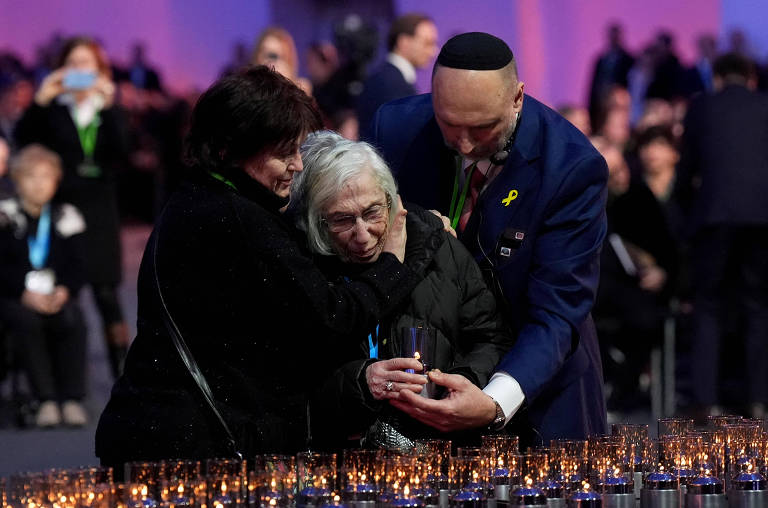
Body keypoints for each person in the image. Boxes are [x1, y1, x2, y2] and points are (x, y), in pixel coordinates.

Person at [95, 67, 420, 466]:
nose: (298, 165)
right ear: (230, 149)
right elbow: (332, 319)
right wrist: (395, 262)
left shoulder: (197, 198)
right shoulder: (239, 220)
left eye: (299, 149)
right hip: (191, 448)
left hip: (156, 430)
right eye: (284, 152)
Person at [366, 32, 608, 446]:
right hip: (422, 379)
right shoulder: (395, 128)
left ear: (517, 98)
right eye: (448, 123)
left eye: (481, 128)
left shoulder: (571, 166)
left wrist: (495, 402)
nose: (462, 144)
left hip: (535, 382)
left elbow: (557, 311)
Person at [290, 131, 513, 450]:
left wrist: (461, 384)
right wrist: (361, 382)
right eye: (342, 220)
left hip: (437, 456)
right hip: (341, 462)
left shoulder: (437, 246)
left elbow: (490, 336)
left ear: (390, 198)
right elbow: (292, 380)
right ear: (316, 221)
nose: (363, 235)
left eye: (372, 213)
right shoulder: (305, 266)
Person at [14, 36, 130, 380]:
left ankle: (122, 371)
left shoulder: (107, 107)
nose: (80, 70)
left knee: (107, 293)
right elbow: (24, 140)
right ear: (63, 69)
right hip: (64, 206)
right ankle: (61, 377)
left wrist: (109, 108)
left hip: (100, 209)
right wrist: (40, 99)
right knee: (64, 289)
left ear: (100, 69)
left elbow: (122, 154)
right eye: (73, 63)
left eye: (87, 63)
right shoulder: (53, 107)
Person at [675, 53, 768, 418]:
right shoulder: (764, 106)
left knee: (709, 307)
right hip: (762, 221)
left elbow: (686, 173)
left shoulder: (702, 107)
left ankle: (705, 401)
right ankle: (759, 399)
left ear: (715, 77)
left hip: (713, 220)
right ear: (750, 78)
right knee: (759, 307)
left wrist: (687, 217)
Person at [0, 144, 88, 427]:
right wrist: (24, 293)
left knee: (73, 317)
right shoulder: (4, 215)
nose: (39, 184)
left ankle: (72, 399)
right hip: (15, 296)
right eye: (32, 176)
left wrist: (64, 290)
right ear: (17, 179)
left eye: (46, 177)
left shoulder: (67, 216)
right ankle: (46, 400)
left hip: (55, 294)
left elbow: (78, 266)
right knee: (26, 321)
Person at [356, 13, 439, 140]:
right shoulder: (390, 84)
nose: (434, 51)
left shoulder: (387, 78)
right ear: (403, 42)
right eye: (427, 43)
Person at [251, 26, 312, 96]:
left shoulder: (299, 89)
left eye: (280, 56)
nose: (273, 62)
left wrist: (290, 88)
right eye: (270, 55)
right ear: (257, 55)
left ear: (289, 60)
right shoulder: (246, 90)